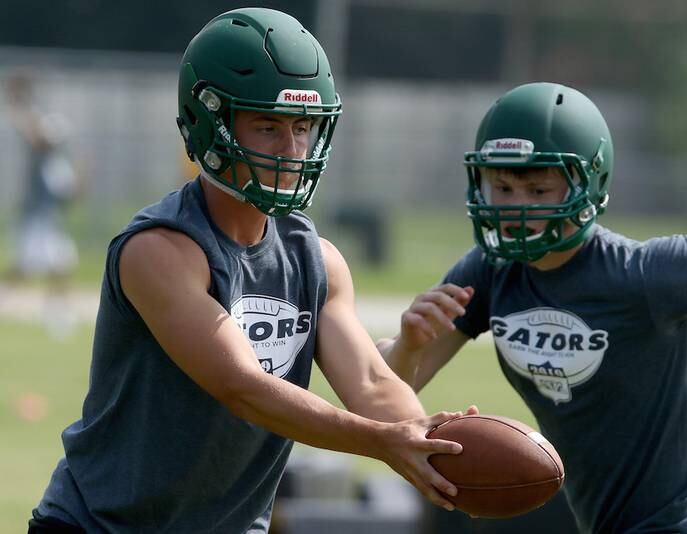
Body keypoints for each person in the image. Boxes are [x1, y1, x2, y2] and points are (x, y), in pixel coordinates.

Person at [29, 8, 472, 533]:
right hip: (100, 526)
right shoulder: (160, 249)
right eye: (267, 126)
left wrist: (432, 440)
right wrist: (379, 442)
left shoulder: (317, 258)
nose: (291, 149)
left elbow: (373, 382)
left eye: (302, 127)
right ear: (207, 122)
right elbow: (243, 387)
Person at [380, 82, 687, 533]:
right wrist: (409, 344)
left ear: (589, 183)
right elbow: (380, 391)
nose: (517, 208)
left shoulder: (643, 275)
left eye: (539, 190)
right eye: (502, 186)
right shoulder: (491, 269)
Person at [3, 70, 79, 310]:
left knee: (60, 264)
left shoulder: (54, 166)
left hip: (47, 221)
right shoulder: (40, 161)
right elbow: (31, 132)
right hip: (35, 220)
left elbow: (69, 196)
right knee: (24, 269)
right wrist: (19, 101)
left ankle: (56, 310)